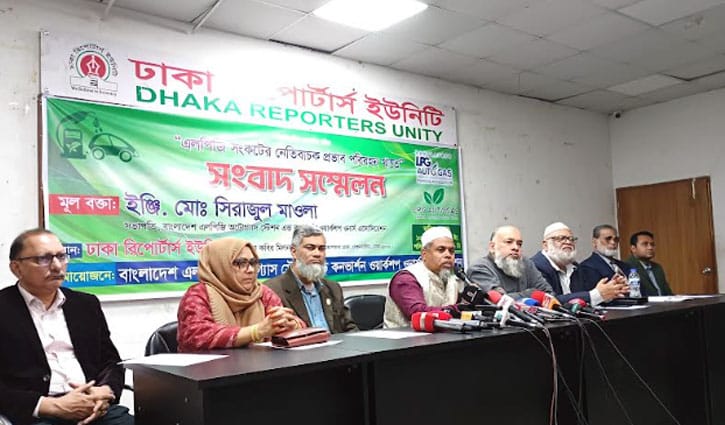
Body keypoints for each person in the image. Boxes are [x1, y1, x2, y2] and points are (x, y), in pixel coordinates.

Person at [0, 228, 133, 425]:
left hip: (94, 407)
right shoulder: (4, 308)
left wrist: (105, 391)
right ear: (16, 268)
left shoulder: (85, 304)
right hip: (38, 414)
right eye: (43, 259)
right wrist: (47, 406)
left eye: (61, 257)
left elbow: (110, 361)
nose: (56, 266)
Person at [177, 237, 305, 352]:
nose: (250, 270)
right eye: (240, 263)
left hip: (260, 367)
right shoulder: (198, 295)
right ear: (220, 265)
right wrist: (255, 332)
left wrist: (292, 325)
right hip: (212, 369)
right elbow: (197, 336)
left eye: (253, 263)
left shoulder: (262, 293)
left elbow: (289, 322)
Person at [266, 225, 357, 333]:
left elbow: (350, 328)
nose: (317, 254)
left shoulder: (333, 288)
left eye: (321, 249)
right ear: (294, 251)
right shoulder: (273, 291)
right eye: (310, 248)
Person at [531, 222, 628, 306]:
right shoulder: (535, 266)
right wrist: (597, 294)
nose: (568, 242)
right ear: (545, 245)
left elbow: (585, 297)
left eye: (571, 239)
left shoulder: (575, 267)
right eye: (561, 238)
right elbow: (549, 301)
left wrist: (610, 292)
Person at [384, 226, 462, 328]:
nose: (448, 255)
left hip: (444, 335)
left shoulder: (451, 279)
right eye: (441, 250)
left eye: (451, 251)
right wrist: (460, 309)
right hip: (406, 337)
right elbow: (417, 312)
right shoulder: (406, 278)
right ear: (424, 254)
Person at [467, 225, 553, 299]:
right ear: (492, 247)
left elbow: (549, 294)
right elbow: (499, 300)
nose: (516, 247)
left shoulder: (526, 264)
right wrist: (531, 293)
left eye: (519, 244)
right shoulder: (479, 268)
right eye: (509, 242)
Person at [579, 224, 630, 292]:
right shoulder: (586, 267)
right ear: (595, 242)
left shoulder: (624, 265)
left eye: (616, 239)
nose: (613, 242)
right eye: (608, 239)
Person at [626, 231, 674, 296]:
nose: (650, 247)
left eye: (652, 244)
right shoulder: (627, 266)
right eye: (645, 244)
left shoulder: (657, 267)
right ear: (633, 248)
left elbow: (668, 293)